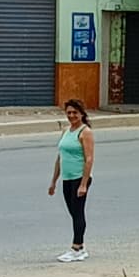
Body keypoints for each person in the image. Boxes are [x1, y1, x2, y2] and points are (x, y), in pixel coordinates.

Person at [48, 99, 95, 262]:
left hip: (79, 178)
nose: (72, 115)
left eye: (75, 112)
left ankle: (76, 248)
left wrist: (83, 184)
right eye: (69, 112)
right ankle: (80, 248)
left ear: (81, 114)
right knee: (73, 213)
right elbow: (60, 157)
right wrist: (54, 181)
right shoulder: (66, 131)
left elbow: (89, 159)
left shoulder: (85, 132)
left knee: (78, 212)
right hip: (67, 178)